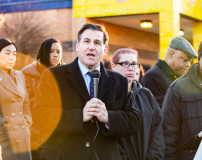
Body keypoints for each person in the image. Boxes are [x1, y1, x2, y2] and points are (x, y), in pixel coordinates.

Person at [32, 23, 141, 160]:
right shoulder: (53, 76)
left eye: (97, 42)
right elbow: (39, 117)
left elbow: (134, 120)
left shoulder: (119, 81)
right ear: (78, 46)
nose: (91, 47)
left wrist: (108, 117)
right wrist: (80, 116)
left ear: (105, 49)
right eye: (86, 41)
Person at [111, 48, 164, 160]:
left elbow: (157, 133)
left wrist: (152, 158)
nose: (131, 68)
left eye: (134, 64)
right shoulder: (107, 96)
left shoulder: (146, 95)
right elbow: (107, 139)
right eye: (125, 64)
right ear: (113, 66)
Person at [21, 38, 63, 159]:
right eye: (51, 51)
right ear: (44, 52)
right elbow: (25, 106)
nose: (55, 55)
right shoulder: (28, 74)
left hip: (61, 135)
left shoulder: (66, 74)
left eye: (58, 52)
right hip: (37, 137)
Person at [141, 37, 198, 107]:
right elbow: (159, 113)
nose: (188, 65)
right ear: (171, 54)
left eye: (190, 61)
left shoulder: (174, 76)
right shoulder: (153, 76)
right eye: (185, 60)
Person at [0, 38, 32, 160]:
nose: (12, 57)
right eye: (7, 53)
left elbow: (26, 104)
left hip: (23, 134)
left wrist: (26, 121)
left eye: (14, 54)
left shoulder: (19, 75)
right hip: (5, 139)